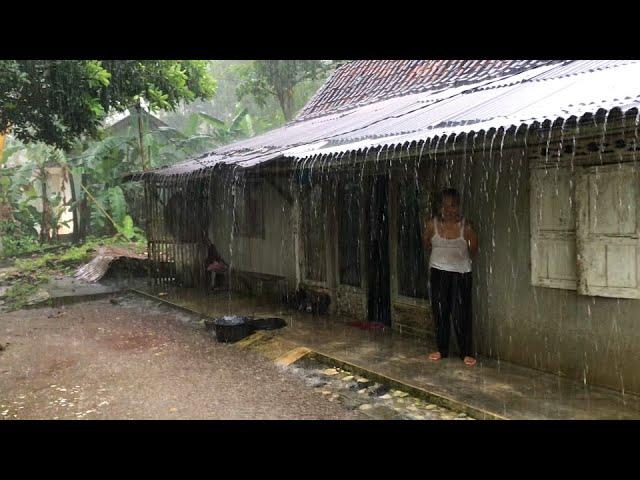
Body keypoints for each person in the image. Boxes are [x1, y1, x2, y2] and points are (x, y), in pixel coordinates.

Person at [422, 188, 479, 366]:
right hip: (438, 271)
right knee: (440, 312)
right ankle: (442, 349)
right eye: (445, 206)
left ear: (458, 206)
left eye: (453, 206)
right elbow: (426, 243)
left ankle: (466, 352)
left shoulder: (466, 227)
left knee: (462, 313)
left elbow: (474, 249)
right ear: (440, 207)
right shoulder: (432, 225)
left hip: (461, 273)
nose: (448, 210)